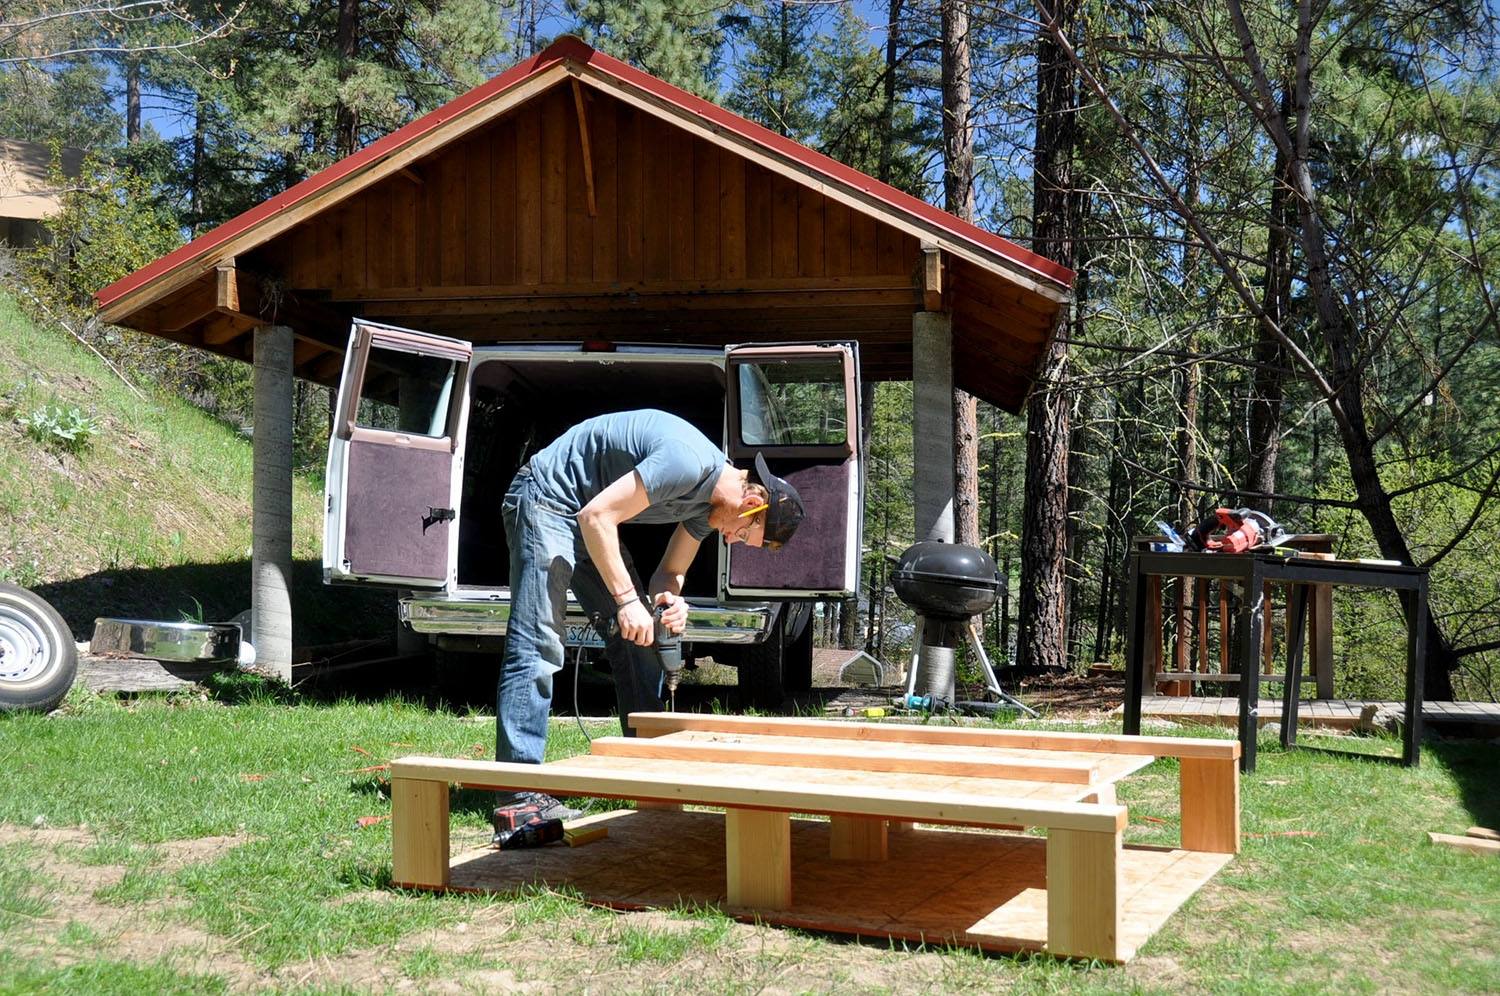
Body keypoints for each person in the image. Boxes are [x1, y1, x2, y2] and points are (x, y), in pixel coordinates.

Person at [494, 408, 805, 824]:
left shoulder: (707, 505)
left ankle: (645, 772)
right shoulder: (687, 463)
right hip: (546, 499)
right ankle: (518, 794)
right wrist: (626, 601)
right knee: (540, 642)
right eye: (744, 534)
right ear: (750, 503)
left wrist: (670, 602)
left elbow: (670, 573)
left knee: (641, 641)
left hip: (587, 520)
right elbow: (596, 516)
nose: (732, 540)